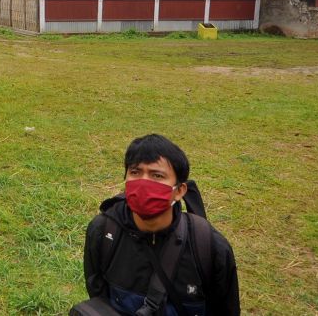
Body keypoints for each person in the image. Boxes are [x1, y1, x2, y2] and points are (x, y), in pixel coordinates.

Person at [81, 134, 239, 316]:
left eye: (157, 175)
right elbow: (98, 297)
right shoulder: (103, 232)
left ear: (179, 191)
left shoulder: (210, 247)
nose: (144, 183)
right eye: (135, 172)